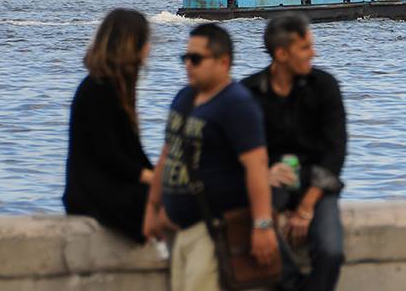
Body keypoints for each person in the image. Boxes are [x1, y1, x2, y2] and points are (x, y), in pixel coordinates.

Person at [143, 23, 278, 291]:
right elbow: (167, 155)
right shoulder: (183, 98)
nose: (188, 65)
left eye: (196, 59)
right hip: (179, 230)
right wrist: (152, 208)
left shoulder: (237, 105)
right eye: (186, 58)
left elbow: (256, 165)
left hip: (212, 231)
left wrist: (263, 224)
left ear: (223, 61)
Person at [242, 15, 347, 291]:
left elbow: (335, 151)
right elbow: (237, 151)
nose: (314, 53)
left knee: (331, 250)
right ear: (281, 54)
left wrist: (305, 207)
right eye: (305, 48)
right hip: (271, 180)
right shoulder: (249, 93)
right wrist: (263, 176)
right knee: (259, 239)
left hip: (315, 181)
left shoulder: (324, 86)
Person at [63, 9, 154, 242]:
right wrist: (151, 178)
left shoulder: (115, 84)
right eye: (147, 41)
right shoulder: (100, 88)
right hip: (92, 193)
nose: (150, 48)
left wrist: (157, 176)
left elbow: (132, 150)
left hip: (103, 184)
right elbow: (108, 153)